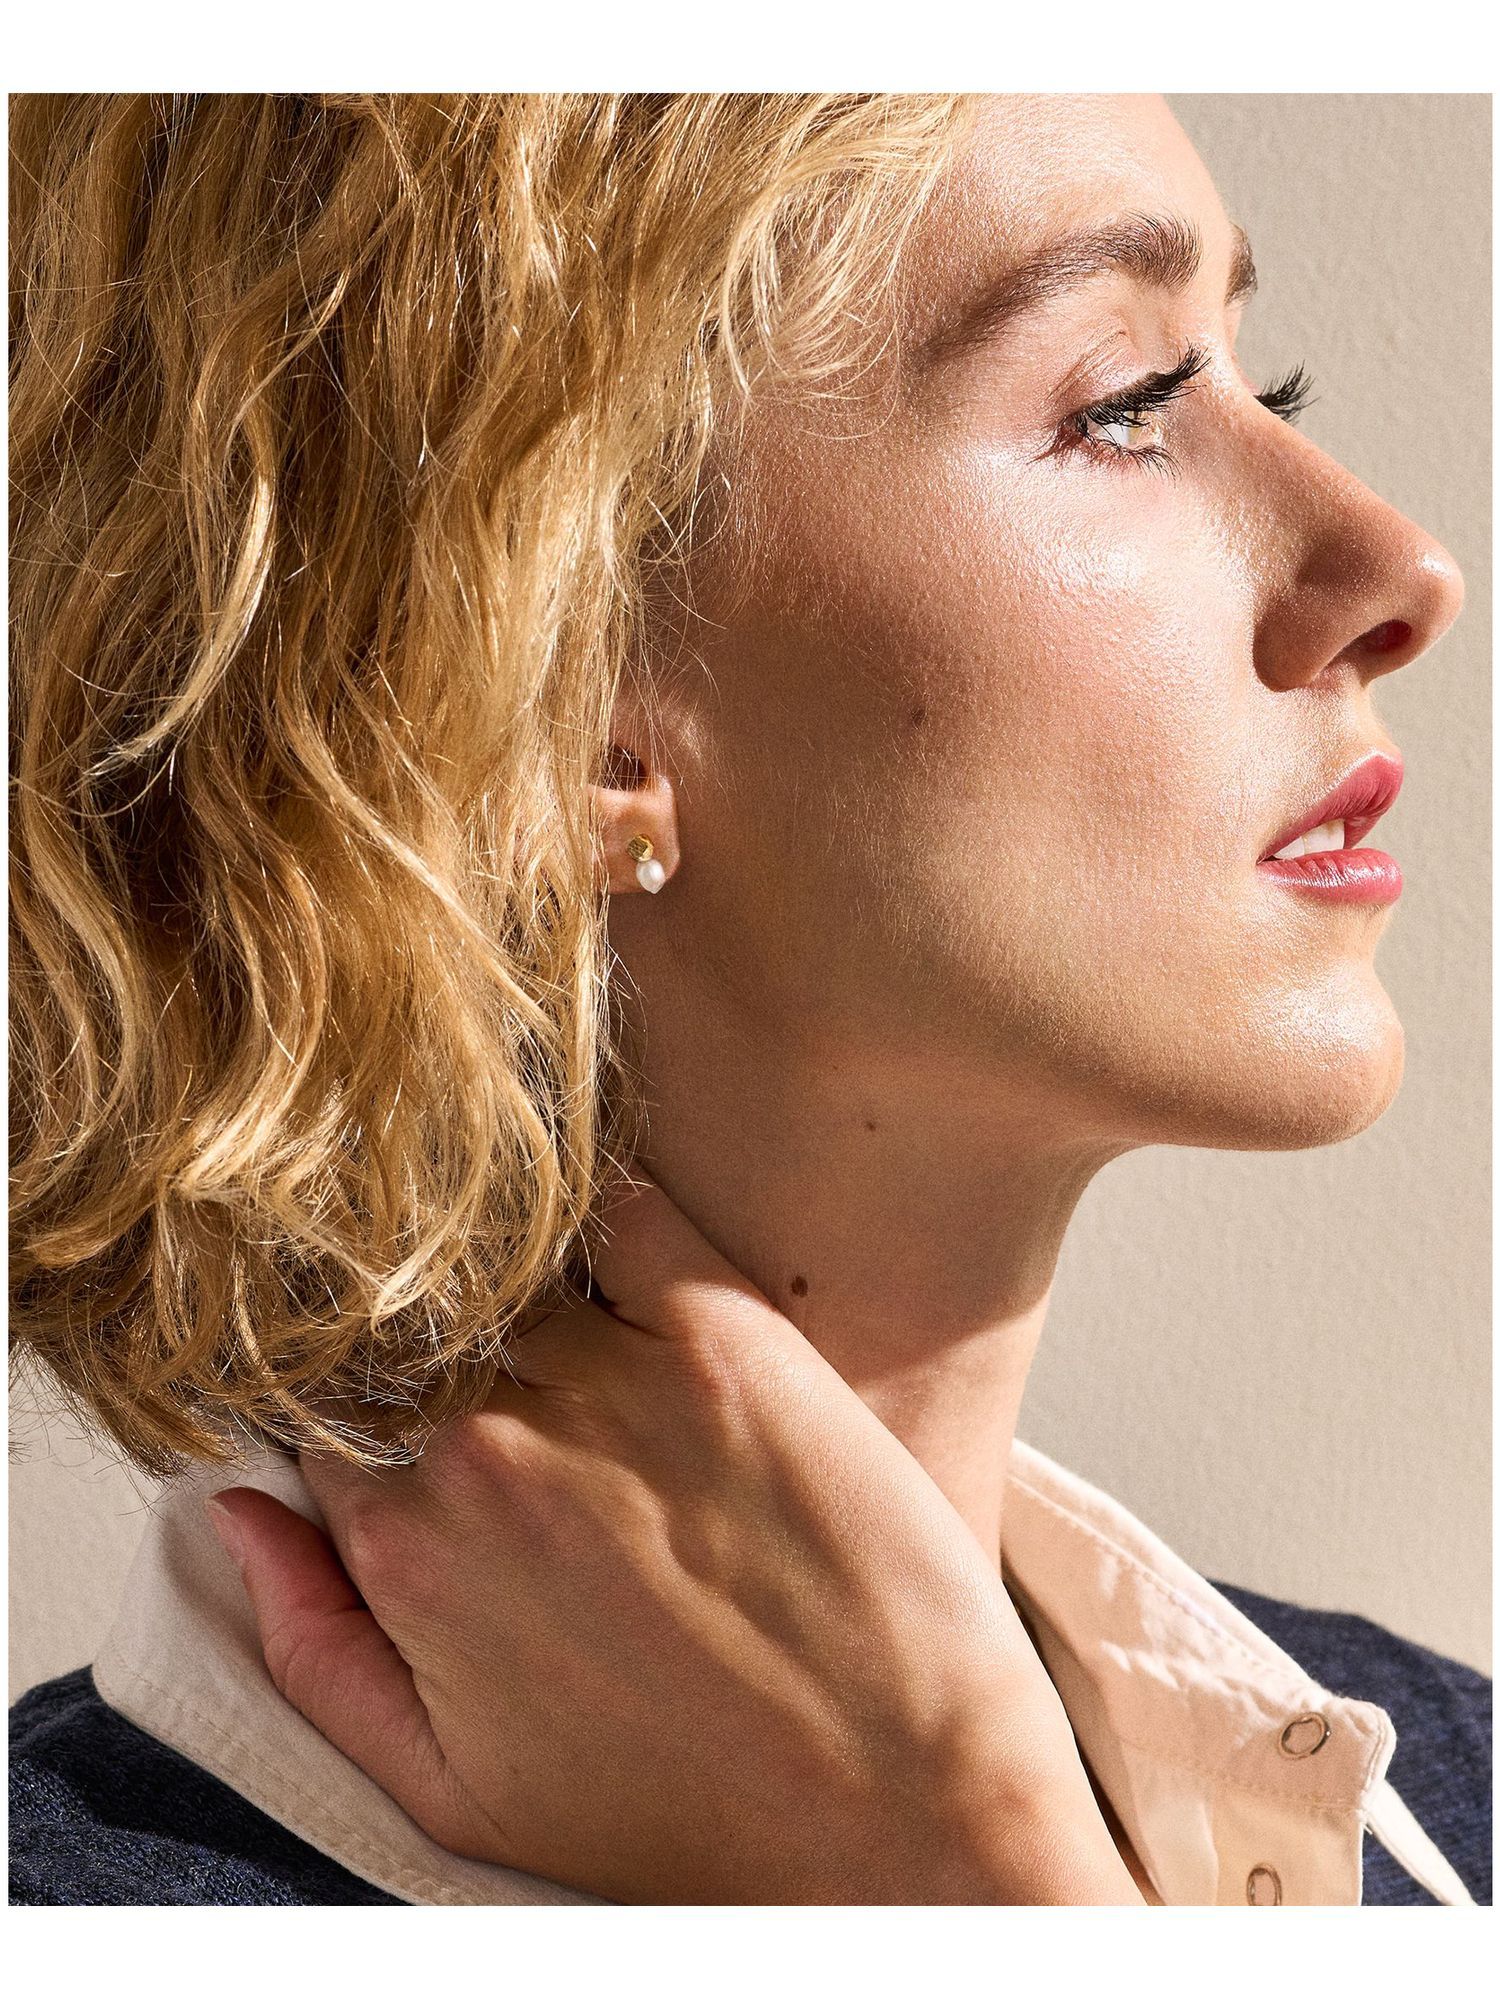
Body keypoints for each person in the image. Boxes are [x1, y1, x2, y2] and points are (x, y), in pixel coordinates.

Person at [8, 90, 1488, 1908]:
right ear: (546, 684)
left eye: (1270, 385)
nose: (1402, 572)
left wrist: (966, 1863)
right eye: (1123, 403)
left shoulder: (1456, 1791)